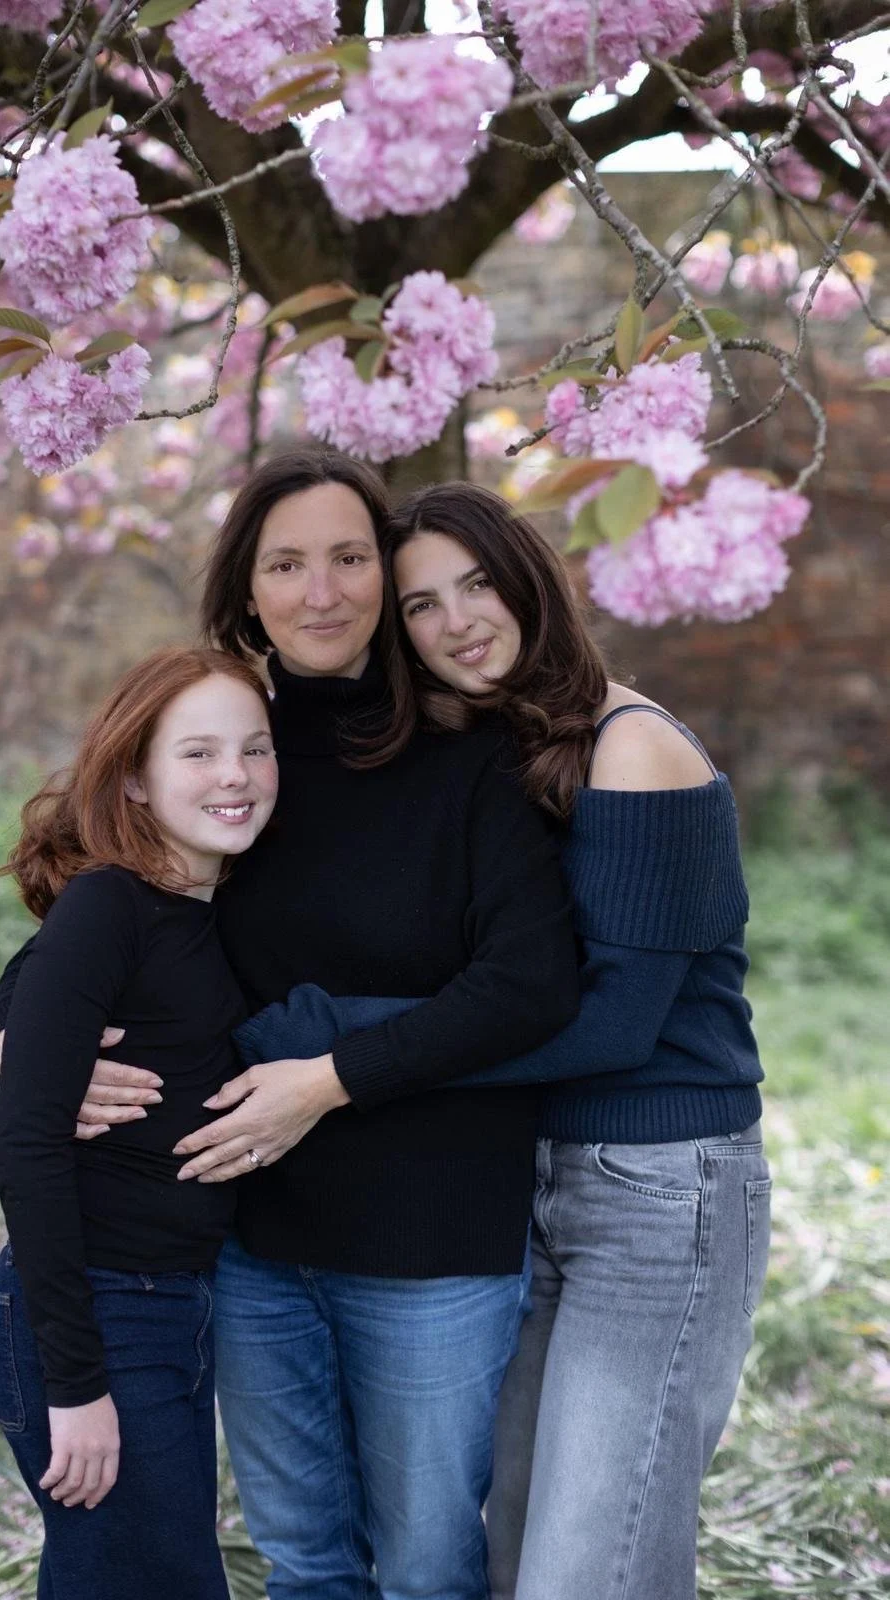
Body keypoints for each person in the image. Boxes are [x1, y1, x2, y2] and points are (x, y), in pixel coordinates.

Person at [0, 448, 581, 1600]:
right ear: (244, 591)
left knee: (421, 1566)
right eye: (286, 563)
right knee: (305, 1561)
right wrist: (14, 1034)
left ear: (384, 577)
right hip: (248, 1245)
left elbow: (528, 984)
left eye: (350, 558)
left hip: (430, 1237)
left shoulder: (470, 762)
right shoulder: (229, 748)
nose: (321, 591)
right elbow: (98, 905)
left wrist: (328, 1078)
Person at [374, 482, 772, 1600]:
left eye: (476, 584)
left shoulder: (630, 743)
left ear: (529, 581)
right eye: (419, 605)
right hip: (536, 1183)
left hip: (661, 1190)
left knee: (589, 1573)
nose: (455, 621)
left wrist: (355, 1061)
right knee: (512, 1561)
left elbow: (610, 1024)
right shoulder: (506, 752)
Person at [0, 646, 279, 1600]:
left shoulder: (211, 905)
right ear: (138, 781)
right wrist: (75, 1386)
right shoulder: (111, 904)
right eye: (196, 753)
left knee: (127, 1576)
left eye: (254, 748)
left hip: (178, 1304)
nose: (232, 774)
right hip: (96, 1308)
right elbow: (27, 1141)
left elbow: (28, 986)